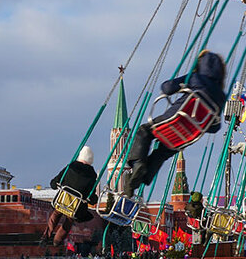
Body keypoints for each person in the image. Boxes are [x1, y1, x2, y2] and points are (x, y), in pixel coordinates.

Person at [121, 50, 227, 196]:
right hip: (189, 135)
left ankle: (138, 163)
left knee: (145, 131)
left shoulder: (196, 78)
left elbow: (167, 87)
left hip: (174, 120)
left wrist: (184, 84)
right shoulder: (221, 96)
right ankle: (142, 179)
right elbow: (215, 127)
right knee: (163, 152)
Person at [42, 146, 99, 246]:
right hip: (75, 208)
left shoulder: (70, 167)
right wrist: (94, 199)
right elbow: (91, 197)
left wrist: (56, 184)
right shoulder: (92, 175)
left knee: (56, 214)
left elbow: (54, 183)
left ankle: (46, 236)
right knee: (69, 221)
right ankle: (57, 241)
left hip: (62, 201)